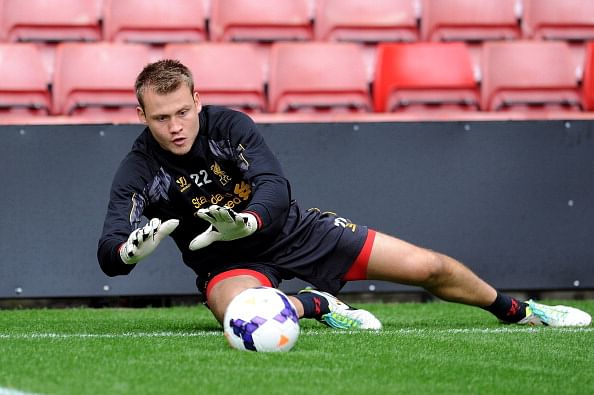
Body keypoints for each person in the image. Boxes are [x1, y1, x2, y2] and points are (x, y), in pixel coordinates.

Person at [98, 59, 591, 330]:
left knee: (430, 268)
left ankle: (520, 311)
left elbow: (273, 186)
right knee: (241, 315)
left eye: (183, 111)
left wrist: (247, 221)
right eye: (161, 118)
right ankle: (319, 306)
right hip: (227, 267)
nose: (176, 126)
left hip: (294, 231)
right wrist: (127, 252)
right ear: (142, 116)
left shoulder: (229, 127)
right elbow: (110, 251)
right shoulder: (139, 168)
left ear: (196, 100)